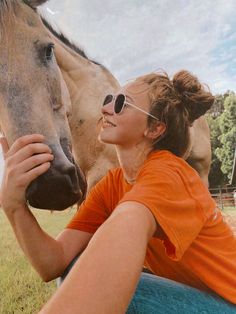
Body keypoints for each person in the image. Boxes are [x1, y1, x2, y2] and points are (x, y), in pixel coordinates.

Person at [1, 70, 236, 313]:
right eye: (109, 100)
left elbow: (131, 217)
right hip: (195, 298)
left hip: (228, 303)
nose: (106, 109)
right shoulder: (113, 183)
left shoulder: (169, 172)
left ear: (154, 128)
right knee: (75, 268)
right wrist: (14, 206)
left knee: (102, 284)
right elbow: (53, 263)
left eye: (122, 103)